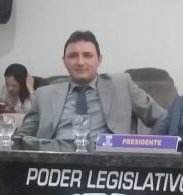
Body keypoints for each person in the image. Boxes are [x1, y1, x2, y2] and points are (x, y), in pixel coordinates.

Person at [16, 30, 165, 140]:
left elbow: (162, 118)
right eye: (73, 56)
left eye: (87, 55)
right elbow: (22, 136)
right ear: (64, 61)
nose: (80, 62)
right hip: (55, 164)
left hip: (108, 164)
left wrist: (147, 147)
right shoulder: (44, 95)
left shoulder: (122, 85)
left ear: (99, 60)